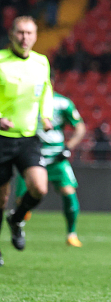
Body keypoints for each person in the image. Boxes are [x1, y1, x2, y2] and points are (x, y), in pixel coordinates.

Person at [0, 16, 54, 266]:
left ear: (35, 36)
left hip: (28, 137)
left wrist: (46, 115)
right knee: (1, 199)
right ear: (11, 34)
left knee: (39, 188)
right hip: (2, 138)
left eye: (29, 33)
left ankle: (17, 218)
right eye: (20, 32)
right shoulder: (1, 61)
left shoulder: (41, 62)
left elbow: (46, 90)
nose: (25, 38)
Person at [14, 90, 86, 247]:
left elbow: (80, 127)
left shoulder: (63, 102)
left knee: (69, 192)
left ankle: (71, 234)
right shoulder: (27, 99)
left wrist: (69, 147)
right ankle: (18, 228)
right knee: (21, 199)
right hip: (32, 155)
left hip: (56, 157)